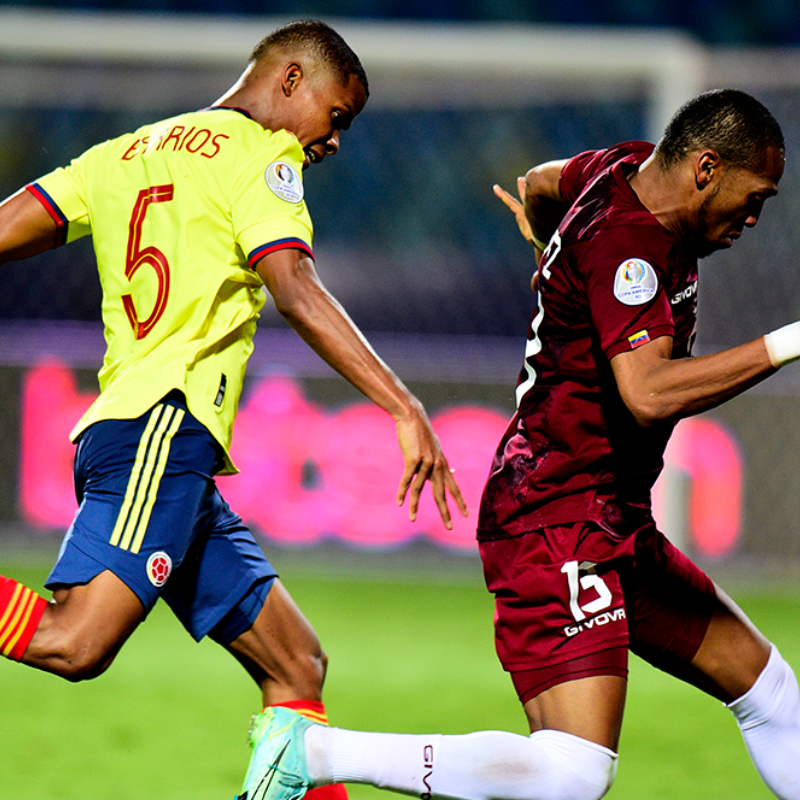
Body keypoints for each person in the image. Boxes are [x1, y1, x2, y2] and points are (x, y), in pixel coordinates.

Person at [232, 89, 800, 800]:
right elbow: (648, 393)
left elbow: (536, 182)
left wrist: (547, 249)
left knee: (772, 692)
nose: (754, 217)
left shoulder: (619, 167)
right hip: (555, 519)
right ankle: (310, 753)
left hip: (610, 515)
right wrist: (787, 343)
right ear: (707, 169)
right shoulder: (629, 246)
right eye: (754, 197)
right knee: (574, 771)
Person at [0, 19, 467, 800]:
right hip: (161, 426)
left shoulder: (121, 153)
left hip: (154, 445)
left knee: (296, 665)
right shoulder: (263, 157)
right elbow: (296, 290)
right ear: (290, 81)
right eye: (337, 117)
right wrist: (403, 404)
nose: (334, 142)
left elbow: (12, 222)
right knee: (75, 642)